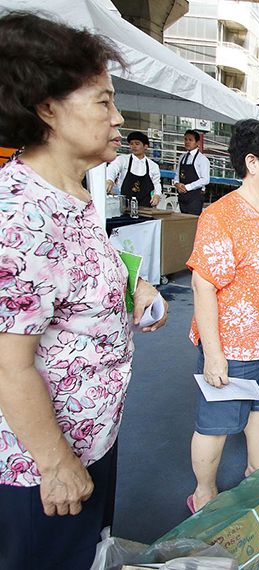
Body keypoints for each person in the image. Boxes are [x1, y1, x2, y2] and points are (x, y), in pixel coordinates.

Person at [0, 13, 169, 568]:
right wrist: (55, 463)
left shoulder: (71, 190)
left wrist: (133, 283)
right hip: (39, 467)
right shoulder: (23, 212)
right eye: (103, 102)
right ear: (47, 108)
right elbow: (9, 363)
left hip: (91, 437)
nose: (119, 118)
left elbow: (70, 280)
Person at [186, 119, 259, 512]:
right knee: (216, 423)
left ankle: (258, 474)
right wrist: (214, 353)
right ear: (252, 163)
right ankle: (204, 492)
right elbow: (203, 286)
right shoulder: (223, 216)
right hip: (233, 344)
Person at [105, 131, 162, 208]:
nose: (134, 146)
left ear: (145, 146)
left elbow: (156, 183)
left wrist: (157, 195)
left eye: (137, 144)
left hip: (145, 206)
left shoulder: (153, 166)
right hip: (125, 205)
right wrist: (110, 179)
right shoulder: (123, 159)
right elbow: (112, 168)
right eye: (131, 144)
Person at [174, 129, 210, 215]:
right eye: (185, 139)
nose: (187, 142)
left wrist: (187, 187)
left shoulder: (202, 159)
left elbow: (205, 180)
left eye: (190, 140)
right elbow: (177, 175)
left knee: (192, 223)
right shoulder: (182, 157)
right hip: (182, 196)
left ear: (197, 142)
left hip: (195, 197)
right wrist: (176, 184)